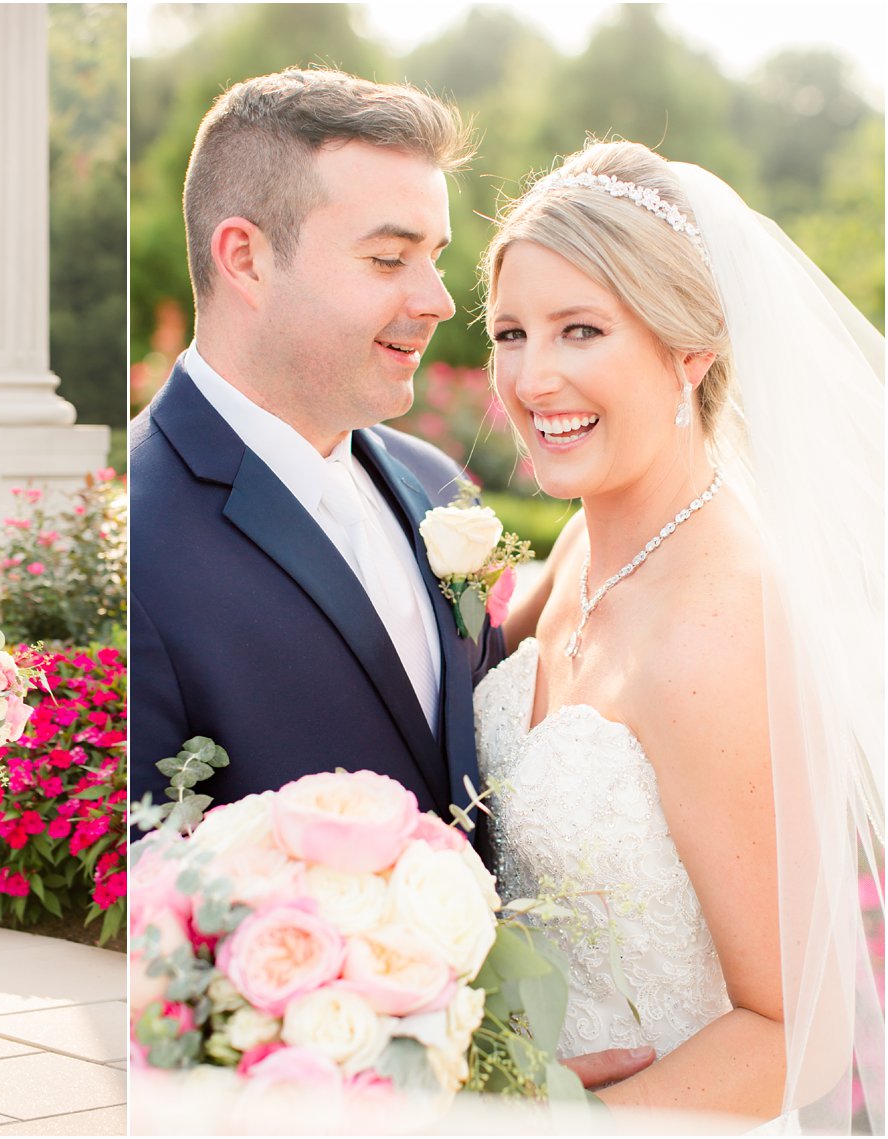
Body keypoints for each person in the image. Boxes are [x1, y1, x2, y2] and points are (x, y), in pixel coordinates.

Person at [477, 139, 883, 1127]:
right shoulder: (588, 540)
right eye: (509, 332)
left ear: (688, 348)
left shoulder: (715, 630)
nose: (531, 379)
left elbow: (800, 1024)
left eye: (580, 329)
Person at [129, 68, 501, 834]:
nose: (436, 299)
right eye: (390, 259)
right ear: (246, 260)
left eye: (434, 255)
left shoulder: (439, 488)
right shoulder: (134, 532)